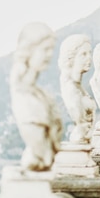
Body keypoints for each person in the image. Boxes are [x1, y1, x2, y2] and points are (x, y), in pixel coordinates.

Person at [10, 22, 63, 171]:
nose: (50, 54)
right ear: (29, 50)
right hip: (37, 164)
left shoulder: (41, 94)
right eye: (45, 49)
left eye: (51, 49)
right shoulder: (23, 96)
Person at [58, 34, 95, 143]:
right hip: (80, 139)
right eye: (83, 54)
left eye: (90, 53)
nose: (89, 58)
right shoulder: (71, 89)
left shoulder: (79, 88)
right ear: (71, 58)